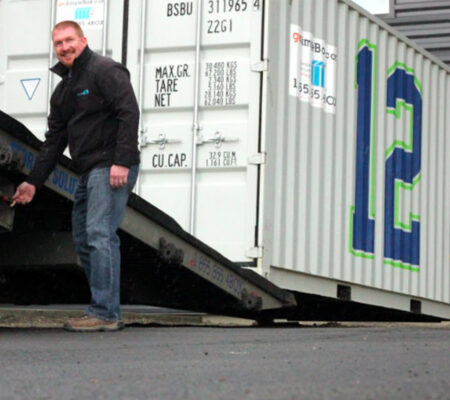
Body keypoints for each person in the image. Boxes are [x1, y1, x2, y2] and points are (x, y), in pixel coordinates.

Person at [12, 20, 140, 332]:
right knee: (84, 239)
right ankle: (103, 307)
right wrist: (32, 182)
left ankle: (106, 313)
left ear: (83, 41)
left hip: (110, 165)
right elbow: (54, 141)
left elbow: (129, 112)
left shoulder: (104, 70)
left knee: (99, 234)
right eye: (58, 43)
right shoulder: (64, 90)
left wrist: (121, 161)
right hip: (87, 170)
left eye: (70, 40)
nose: (65, 47)